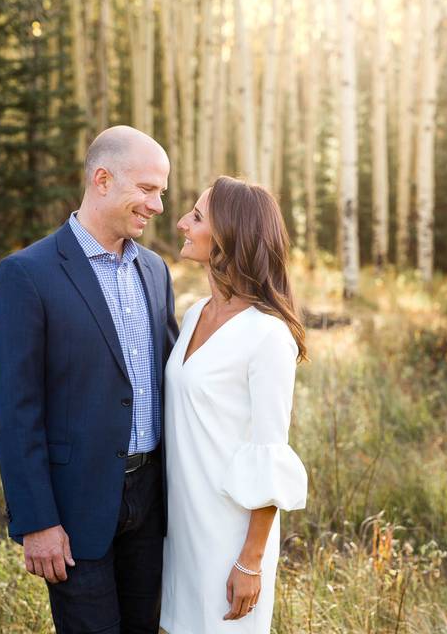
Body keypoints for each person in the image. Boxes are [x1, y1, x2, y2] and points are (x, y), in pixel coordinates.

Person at [0, 125, 178, 634]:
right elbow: (13, 409)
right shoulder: (27, 274)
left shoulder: (155, 271)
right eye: (147, 188)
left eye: (162, 191)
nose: (157, 205)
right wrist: (36, 520)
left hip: (153, 502)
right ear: (102, 179)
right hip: (74, 509)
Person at [161, 176, 309, 633]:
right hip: (179, 524)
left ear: (230, 236)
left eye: (198, 217)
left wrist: (250, 562)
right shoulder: (193, 314)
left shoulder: (267, 334)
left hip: (229, 537)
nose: (183, 222)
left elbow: (270, 452)